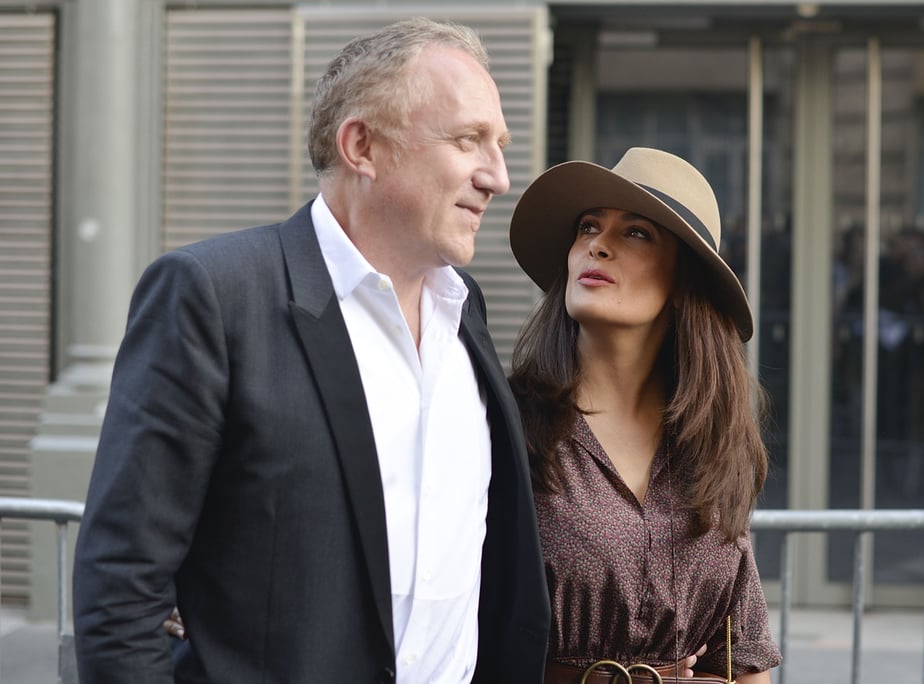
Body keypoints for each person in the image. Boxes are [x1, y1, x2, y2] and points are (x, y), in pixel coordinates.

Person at [72, 17, 549, 684]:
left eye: (499, 144)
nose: (498, 176)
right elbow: (120, 585)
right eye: (469, 140)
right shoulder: (214, 295)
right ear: (362, 145)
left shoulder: (464, 308)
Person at [507, 148, 782, 682]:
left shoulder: (710, 442)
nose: (597, 245)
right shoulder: (506, 423)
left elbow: (742, 655)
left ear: (683, 282)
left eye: (635, 233)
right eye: (588, 227)